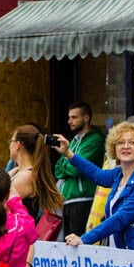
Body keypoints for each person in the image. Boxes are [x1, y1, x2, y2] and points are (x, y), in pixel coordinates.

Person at [56, 120, 134, 251]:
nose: (126, 146)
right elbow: (96, 174)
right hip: (120, 247)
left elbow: (121, 217)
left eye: (132, 142)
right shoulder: (119, 173)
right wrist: (68, 153)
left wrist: (85, 239)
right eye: (121, 142)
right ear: (114, 148)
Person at [53, 101, 106, 237]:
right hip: (67, 201)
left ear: (86, 118)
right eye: (69, 117)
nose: (69, 121)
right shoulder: (74, 140)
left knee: (78, 247)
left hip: (83, 201)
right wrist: (68, 163)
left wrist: (68, 163)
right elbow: (57, 169)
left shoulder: (95, 139)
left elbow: (77, 168)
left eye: (74, 117)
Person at [8, 124, 64, 223]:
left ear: (18, 145)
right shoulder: (17, 171)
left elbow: (0, 205)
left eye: (11, 141)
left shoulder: (26, 176)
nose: (9, 145)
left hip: (19, 235)